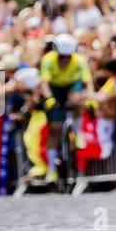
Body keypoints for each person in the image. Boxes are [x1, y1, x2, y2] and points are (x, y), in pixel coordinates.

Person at [38, 33, 94, 182]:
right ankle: (52, 169)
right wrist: (49, 98)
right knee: (54, 128)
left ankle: (77, 132)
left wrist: (90, 98)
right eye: (61, 57)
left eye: (68, 57)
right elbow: (44, 83)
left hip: (70, 86)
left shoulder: (80, 60)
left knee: (77, 99)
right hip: (54, 88)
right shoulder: (47, 60)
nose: (64, 60)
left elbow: (88, 83)